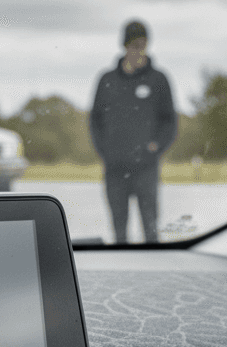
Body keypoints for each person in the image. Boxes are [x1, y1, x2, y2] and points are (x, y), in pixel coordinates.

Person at [90, 20, 177, 244]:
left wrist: (155, 147)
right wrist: (106, 151)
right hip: (115, 170)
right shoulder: (107, 80)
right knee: (119, 232)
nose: (139, 51)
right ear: (125, 46)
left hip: (145, 169)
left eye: (143, 45)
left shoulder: (158, 80)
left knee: (150, 230)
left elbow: (169, 122)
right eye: (134, 45)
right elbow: (95, 121)